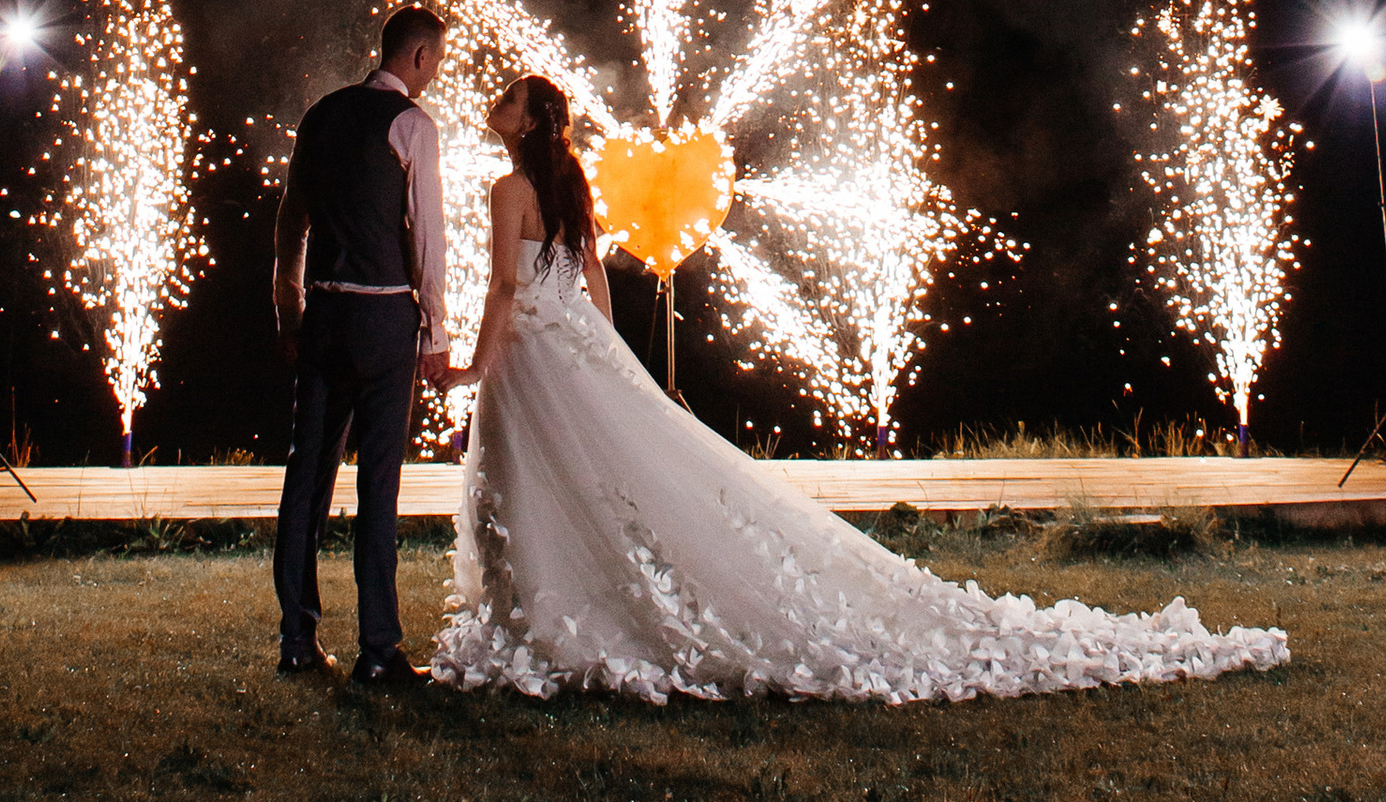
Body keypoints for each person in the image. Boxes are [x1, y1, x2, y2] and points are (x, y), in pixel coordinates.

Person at [435, 77, 1290, 705]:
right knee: (594, 477)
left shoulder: (509, 188)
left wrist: (474, 367)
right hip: (577, 347)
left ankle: (540, 614)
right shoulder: (571, 186)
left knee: (540, 479)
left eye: (509, 100)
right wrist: (608, 354)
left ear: (531, 120)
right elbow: (591, 277)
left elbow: (506, 287)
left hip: (533, 351)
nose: (495, 106)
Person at [271, 7, 451, 686]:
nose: (435, 73)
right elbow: (428, 238)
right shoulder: (413, 125)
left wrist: (288, 309)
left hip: (323, 314)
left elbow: (291, 219)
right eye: (436, 61)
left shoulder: (319, 115)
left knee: (306, 476)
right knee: (379, 482)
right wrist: (436, 333)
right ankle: (377, 649)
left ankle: (297, 639)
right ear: (419, 56)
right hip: (383, 319)